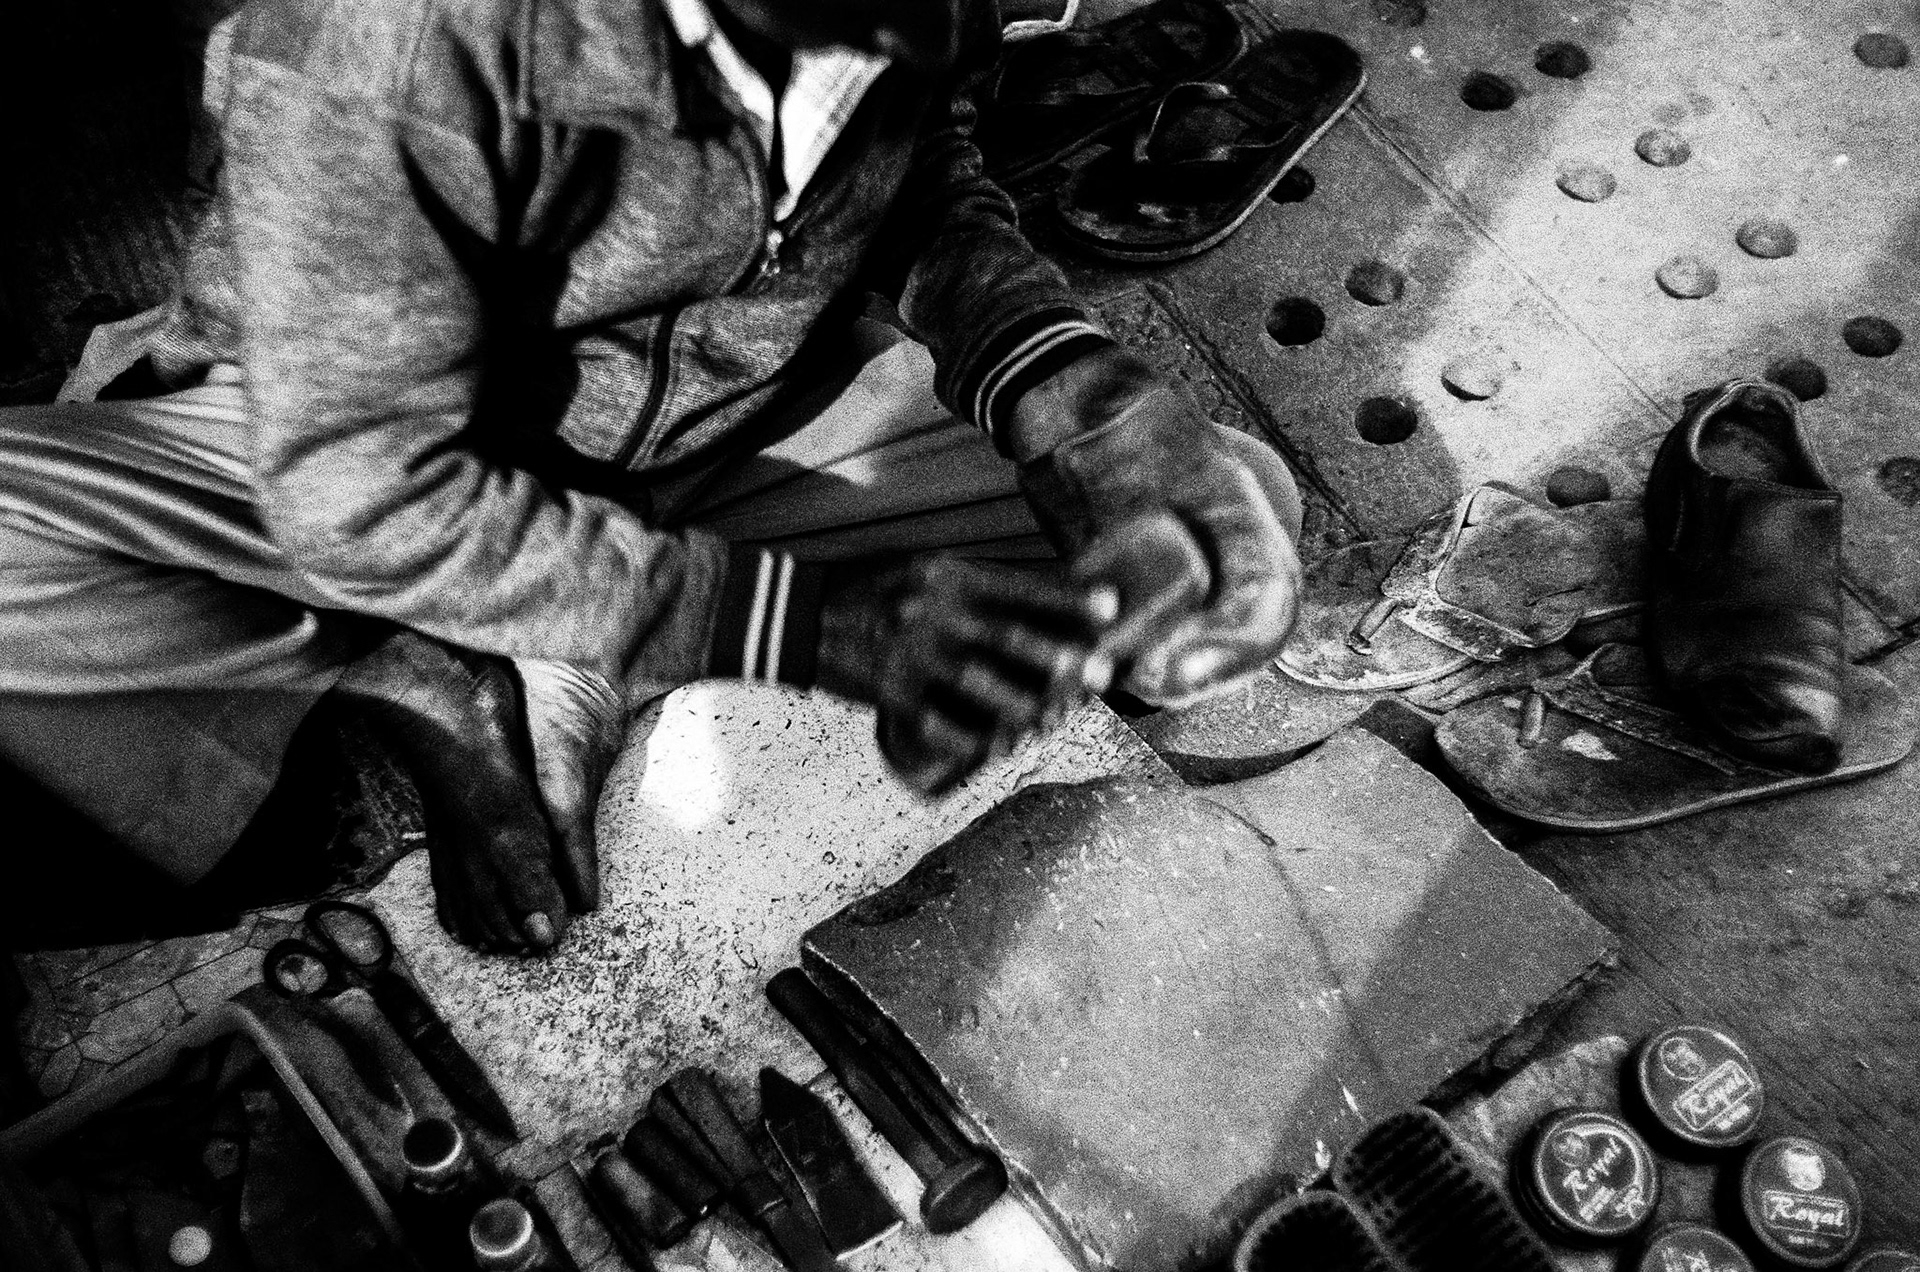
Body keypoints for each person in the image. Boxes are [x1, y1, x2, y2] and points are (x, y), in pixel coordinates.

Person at [0, 0, 1303, 955]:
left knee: (1214, 533)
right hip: (360, 438)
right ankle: (407, 699)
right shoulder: (386, 38)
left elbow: (920, 170)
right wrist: (784, 621)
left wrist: (1069, 394)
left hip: (708, 436)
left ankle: (553, 643)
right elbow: (361, 485)